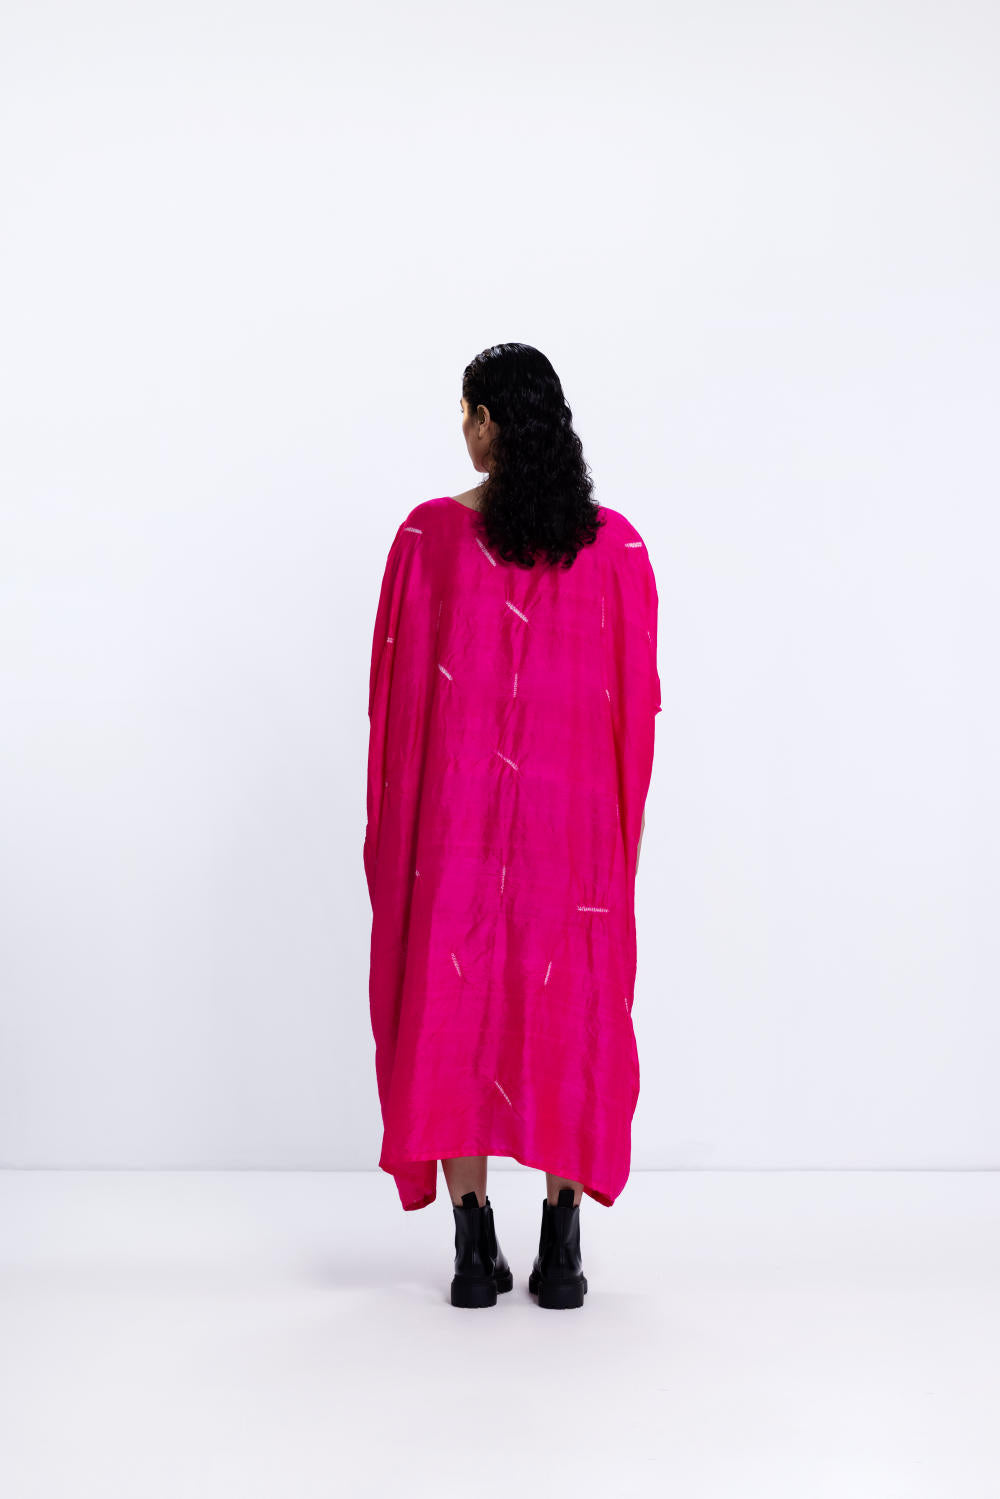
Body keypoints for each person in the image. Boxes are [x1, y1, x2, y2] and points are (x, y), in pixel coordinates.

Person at [364, 343, 661, 1309]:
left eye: (468, 413)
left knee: (455, 1004)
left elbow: (398, 707)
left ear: (491, 422)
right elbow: (636, 711)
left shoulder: (428, 539)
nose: (463, 429)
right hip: (571, 840)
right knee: (569, 1006)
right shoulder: (616, 550)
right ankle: (561, 1249)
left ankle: (471, 1246)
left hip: (456, 832)